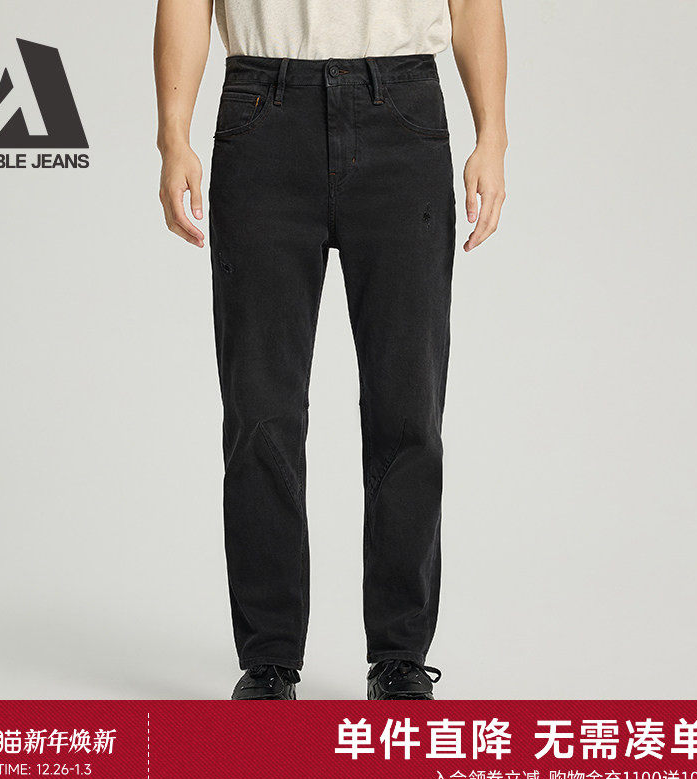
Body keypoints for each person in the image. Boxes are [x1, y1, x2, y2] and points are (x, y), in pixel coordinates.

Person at [154, 0, 507, 699]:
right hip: (262, 113)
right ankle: (269, 659)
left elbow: (472, 4)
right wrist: (173, 138)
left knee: (408, 407)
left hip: (403, 114)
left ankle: (400, 657)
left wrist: (491, 136)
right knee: (260, 410)